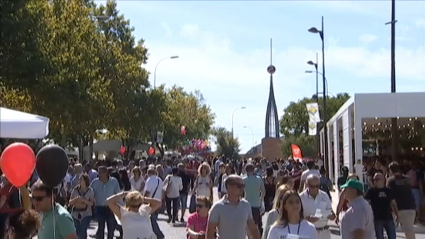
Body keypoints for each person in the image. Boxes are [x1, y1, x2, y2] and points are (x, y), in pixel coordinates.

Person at [206, 174, 260, 239]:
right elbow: (210, 231)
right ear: (229, 187)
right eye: (239, 186)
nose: (242, 188)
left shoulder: (246, 205)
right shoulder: (218, 207)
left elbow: (253, 229)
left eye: (243, 185)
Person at [300, 174, 335, 239]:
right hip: (307, 233)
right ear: (307, 185)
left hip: (324, 232)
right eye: (312, 186)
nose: (315, 188)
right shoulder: (301, 198)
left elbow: (330, 210)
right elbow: (295, 217)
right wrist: (307, 219)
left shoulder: (324, 195)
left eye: (317, 186)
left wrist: (332, 216)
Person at [387, 162, 416, 239]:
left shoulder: (391, 181)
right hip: (410, 206)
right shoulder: (407, 179)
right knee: (409, 230)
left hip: (399, 208)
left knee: (393, 230)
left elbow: (391, 198)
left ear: (390, 170)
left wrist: (395, 212)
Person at [90, 166, 121, 239]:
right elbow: (90, 193)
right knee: (101, 229)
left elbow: (118, 194)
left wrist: (117, 206)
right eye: (98, 172)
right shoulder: (95, 182)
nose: (99, 174)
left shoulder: (113, 181)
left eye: (100, 172)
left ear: (106, 173)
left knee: (111, 229)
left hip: (111, 208)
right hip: (100, 208)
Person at [365, 173, 398, 239]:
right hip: (377, 218)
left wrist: (397, 214)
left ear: (383, 180)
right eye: (374, 179)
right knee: (379, 236)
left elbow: (393, 203)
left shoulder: (388, 190)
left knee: (392, 236)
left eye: (377, 179)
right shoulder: (371, 191)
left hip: (388, 217)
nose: (375, 181)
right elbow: (366, 204)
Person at [69, 173, 94, 239]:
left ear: (85, 181)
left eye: (81, 179)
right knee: (76, 231)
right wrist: (76, 199)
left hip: (86, 213)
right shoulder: (75, 190)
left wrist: (84, 200)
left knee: (83, 230)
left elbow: (92, 203)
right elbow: (70, 202)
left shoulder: (90, 191)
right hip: (75, 213)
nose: (79, 180)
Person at [244, 163, 266, 236]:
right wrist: (261, 199)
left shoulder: (244, 180)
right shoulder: (259, 179)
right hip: (256, 204)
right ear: (253, 170)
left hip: (246, 204)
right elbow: (263, 191)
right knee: (256, 224)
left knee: (248, 225)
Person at [144, 167, 164, 239]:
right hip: (158, 201)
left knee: (152, 219)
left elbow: (147, 192)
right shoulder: (160, 180)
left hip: (150, 202)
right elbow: (162, 192)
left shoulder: (149, 180)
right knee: (153, 219)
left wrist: (143, 200)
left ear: (148, 173)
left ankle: (159, 234)